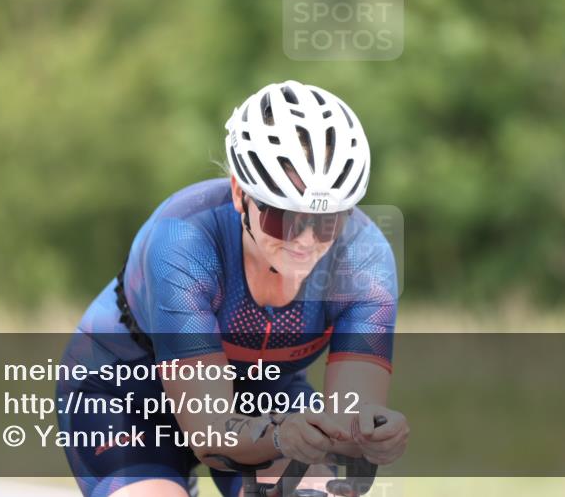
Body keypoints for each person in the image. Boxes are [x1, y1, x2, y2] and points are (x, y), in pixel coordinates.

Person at [58, 80, 409, 497]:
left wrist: (367, 436)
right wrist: (280, 435)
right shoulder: (184, 239)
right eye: (283, 217)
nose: (304, 240)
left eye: (327, 221)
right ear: (241, 194)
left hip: (267, 395)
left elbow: (349, 423)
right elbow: (211, 433)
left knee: (317, 490)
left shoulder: (364, 261)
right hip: (127, 391)